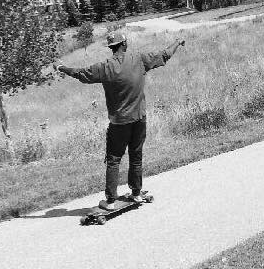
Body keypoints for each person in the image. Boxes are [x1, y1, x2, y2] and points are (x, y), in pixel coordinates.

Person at [57, 31, 184, 210]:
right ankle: (136, 193)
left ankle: (110, 201)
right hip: (139, 119)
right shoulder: (139, 60)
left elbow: (81, 73)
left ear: (111, 48)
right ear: (124, 44)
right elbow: (164, 55)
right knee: (136, 155)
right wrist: (177, 42)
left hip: (119, 123)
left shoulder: (105, 67)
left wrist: (63, 69)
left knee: (114, 159)